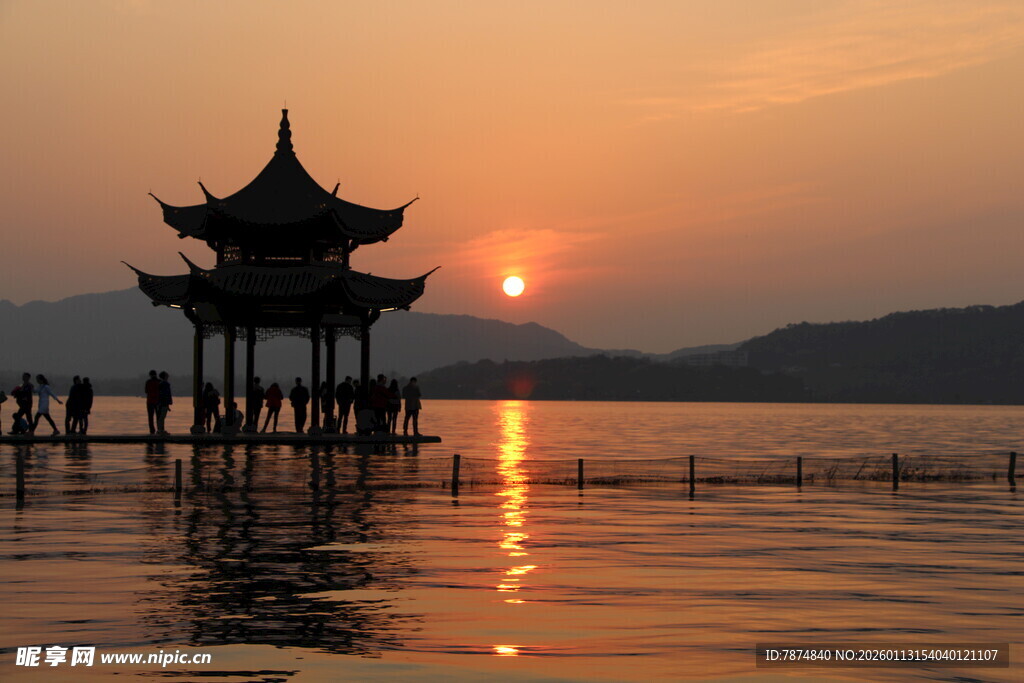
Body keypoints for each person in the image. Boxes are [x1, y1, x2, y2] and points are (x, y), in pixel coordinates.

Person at [144, 369, 160, 434]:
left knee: (150, 417)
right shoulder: (159, 381)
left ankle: (152, 431)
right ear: (156, 374)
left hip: (150, 401)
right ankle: (159, 430)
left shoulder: (148, 382)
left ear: (150, 375)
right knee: (158, 417)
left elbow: (146, 391)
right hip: (158, 401)